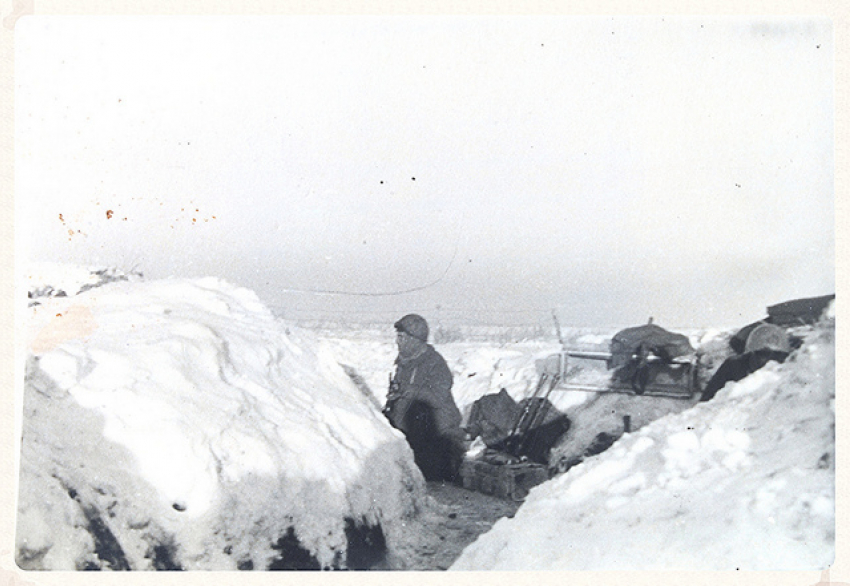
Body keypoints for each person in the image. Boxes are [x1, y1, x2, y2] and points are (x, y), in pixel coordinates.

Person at [383, 314, 465, 482]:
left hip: (436, 433)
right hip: (411, 429)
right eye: (398, 337)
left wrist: (408, 391)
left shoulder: (435, 363)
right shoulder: (404, 363)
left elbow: (438, 397)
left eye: (402, 337)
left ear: (416, 340)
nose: (398, 341)